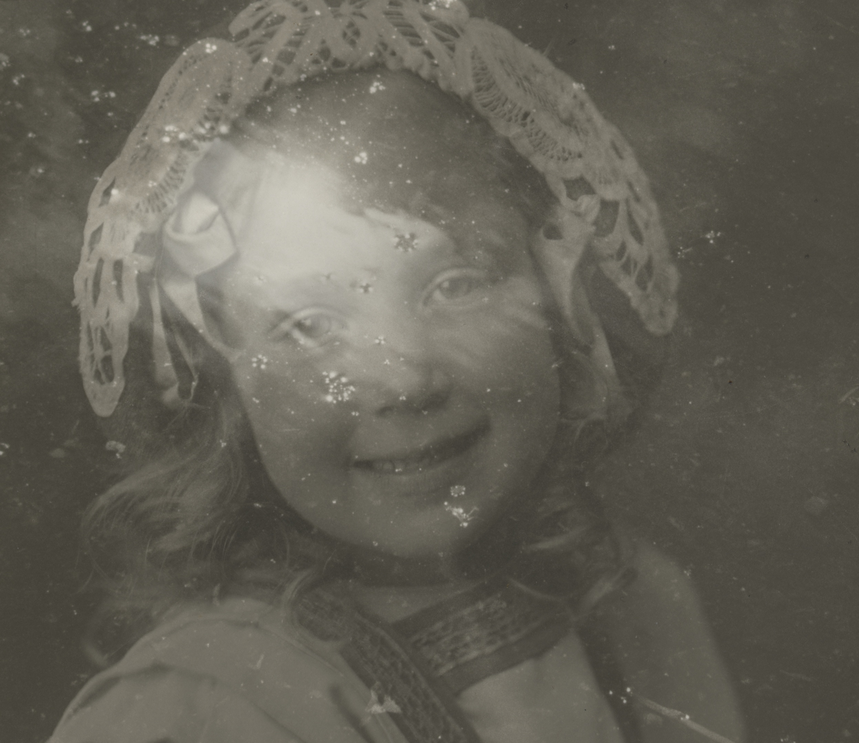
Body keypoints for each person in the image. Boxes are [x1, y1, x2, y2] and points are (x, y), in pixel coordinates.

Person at [51, 1, 743, 741]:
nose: (405, 381)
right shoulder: (205, 711)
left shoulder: (638, 603)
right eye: (309, 325)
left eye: (455, 285)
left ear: (556, 293)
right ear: (225, 384)